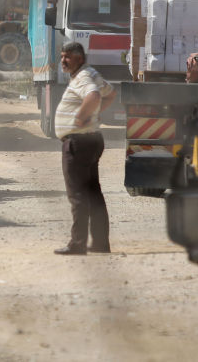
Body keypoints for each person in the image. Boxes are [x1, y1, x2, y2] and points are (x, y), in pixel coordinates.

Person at [52, 41, 116, 256]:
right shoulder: (91, 73)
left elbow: (95, 95)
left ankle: (77, 243)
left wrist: (81, 116)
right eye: (62, 56)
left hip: (78, 143)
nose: (63, 60)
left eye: (67, 57)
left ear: (79, 58)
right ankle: (100, 243)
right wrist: (95, 114)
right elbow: (110, 93)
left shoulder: (83, 77)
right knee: (93, 193)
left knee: (78, 194)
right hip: (92, 140)